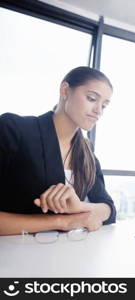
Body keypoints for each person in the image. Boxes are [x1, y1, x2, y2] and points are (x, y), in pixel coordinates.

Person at [0, 66, 116, 236]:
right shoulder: (13, 129)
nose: (98, 111)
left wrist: (80, 207)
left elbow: (108, 209)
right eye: (92, 98)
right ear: (65, 91)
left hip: (63, 254)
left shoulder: (86, 152)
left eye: (104, 106)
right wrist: (64, 221)